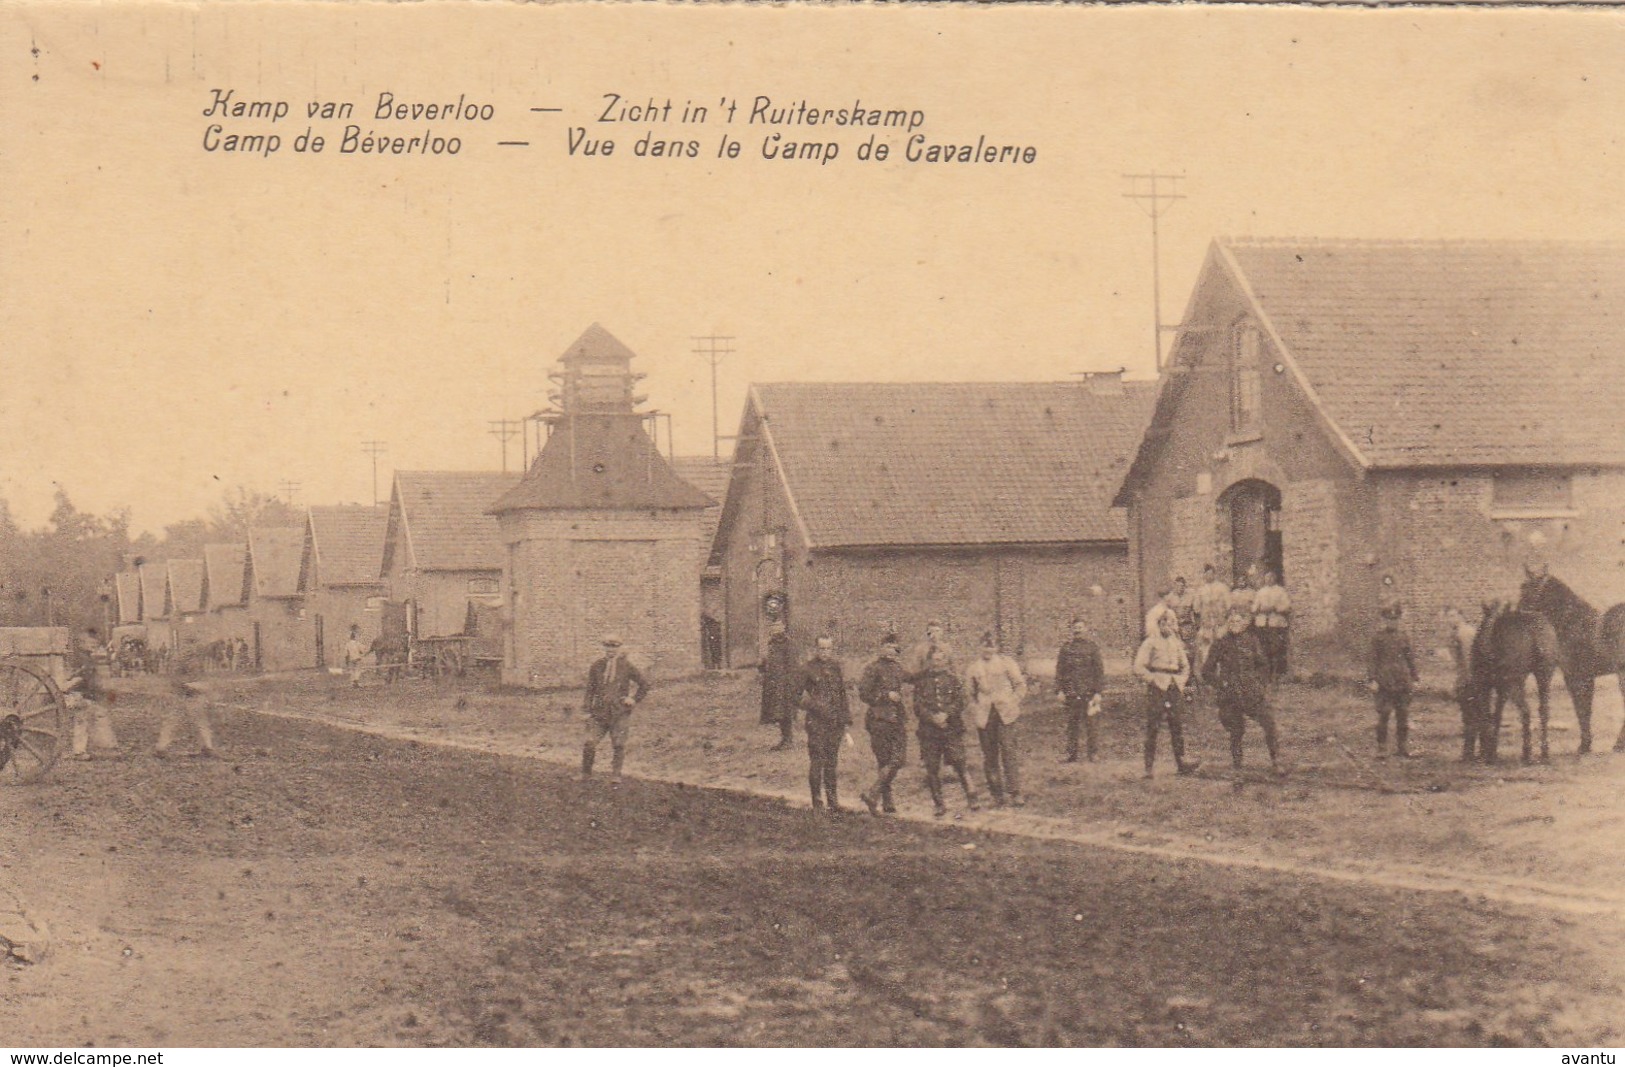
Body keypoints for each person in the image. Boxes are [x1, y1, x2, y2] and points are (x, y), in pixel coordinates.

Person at [1203, 608, 1281, 774]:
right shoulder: (1220, 643)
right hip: (1230, 694)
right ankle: (1238, 767)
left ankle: (1276, 762)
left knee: (1269, 723)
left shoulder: (1252, 641)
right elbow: (1206, 671)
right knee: (1236, 731)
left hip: (1251, 692)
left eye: (1237, 621)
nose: (1234, 625)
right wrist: (1220, 684)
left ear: (1245, 624)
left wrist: (1260, 683)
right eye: (1231, 622)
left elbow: (1263, 665)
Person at [912, 647, 980, 817]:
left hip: (951, 729)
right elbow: (917, 706)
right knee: (932, 768)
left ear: (946, 661)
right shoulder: (921, 682)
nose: (938, 663)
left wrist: (946, 714)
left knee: (959, 762)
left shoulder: (954, 679)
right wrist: (932, 718)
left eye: (941, 660)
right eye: (935, 660)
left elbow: (961, 701)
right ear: (930, 661)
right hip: (929, 731)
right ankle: (939, 804)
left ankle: (972, 797)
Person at [1133, 611, 1201, 778]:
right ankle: (1148, 768)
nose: (1169, 627)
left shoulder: (1176, 643)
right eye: (1166, 624)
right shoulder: (1150, 642)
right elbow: (1138, 667)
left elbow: (1185, 666)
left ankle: (1182, 763)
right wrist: (1153, 679)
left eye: (1172, 624)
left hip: (1173, 687)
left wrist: (1180, 681)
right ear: (1160, 624)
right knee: (1153, 727)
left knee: (1176, 725)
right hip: (1157, 688)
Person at [965, 633, 1028, 807]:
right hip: (985, 716)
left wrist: (1012, 702)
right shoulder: (973, 668)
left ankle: (1015, 792)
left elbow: (1020, 685)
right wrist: (976, 710)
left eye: (991, 646)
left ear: (996, 648)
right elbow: (969, 695)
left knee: (1009, 752)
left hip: (1005, 714)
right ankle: (997, 794)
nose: (988, 650)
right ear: (979, 647)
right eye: (984, 646)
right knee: (990, 756)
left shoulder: (1006, 663)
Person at [793, 635, 851, 812]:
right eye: (822, 648)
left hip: (834, 723)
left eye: (828, 648)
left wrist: (845, 719)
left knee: (832, 762)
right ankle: (817, 802)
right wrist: (814, 706)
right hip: (816, 723)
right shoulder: (807, 668)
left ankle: (833, 801)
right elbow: (794, 696)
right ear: (816, 649)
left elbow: (842, 695)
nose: (825, 652)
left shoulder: (835, 668)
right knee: (817, 761)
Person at [580, 634, 648, 782]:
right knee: (590, 742)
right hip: (599, 712)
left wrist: (633, 699)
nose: (610, 650)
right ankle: (585, 773)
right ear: (604, 648)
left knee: (618, 744)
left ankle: (616, 775)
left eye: (614, 647)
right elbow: (590, 689)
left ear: (619, 648)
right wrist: (586, 710)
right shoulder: (597, 666)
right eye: (608, 646)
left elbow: (644, 684)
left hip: (619, 712)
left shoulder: (627, 666)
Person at [858, 633, 909, 816]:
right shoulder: (872, 668)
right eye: (887, 646)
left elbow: (912, 677)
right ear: (881, 648)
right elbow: (863, 694)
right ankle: (886, 801)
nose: (891, 650)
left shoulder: (897, 668)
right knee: (884, 760)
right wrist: (886, 696)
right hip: (879, 719)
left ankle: (874, 794)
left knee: (898, 759)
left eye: (894, 647)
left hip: (897, 718)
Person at [1369, 603, 1419, 759]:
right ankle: (1381, 747)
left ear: (1399, 620)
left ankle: (1402, 746)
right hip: (1385, 680)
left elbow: (1410, 658)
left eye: (1395, 619)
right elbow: (1372, 660)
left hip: (1402, 680)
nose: (1392, 622)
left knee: (1403, 714)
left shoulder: (1404, 636)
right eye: (1389, 619)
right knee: (1384, 713)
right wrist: (1372, 679)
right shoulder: (1378, 638)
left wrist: (1415, 677)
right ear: (1384, 620)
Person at [1055, 619, 1105, 763]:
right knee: (1072, 724)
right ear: (1072, 630)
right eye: (1075, 628)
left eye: (1080, 627)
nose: (1078, 630)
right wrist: (1059, 690)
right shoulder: (1066, 649)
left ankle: (1093, 753)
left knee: (1092, 724)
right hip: (1071, 691)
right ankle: (1071, 754)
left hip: (1089, 692)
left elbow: (1099, 672)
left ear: (1086, 629)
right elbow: (1059, 671)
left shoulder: (1092, 648)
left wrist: (1098, 692)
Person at [154, 645, 217, 759]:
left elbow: (201, 680)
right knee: (174, 722)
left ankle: (207, 747)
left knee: (198, 722)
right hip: (183, 695)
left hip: (190, 695)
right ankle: (161, 748)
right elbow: (176, 681)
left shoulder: (194, 664)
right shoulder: (181, 665)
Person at [1445, 605, 1490, 763]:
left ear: (1461, 616)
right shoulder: (1456, 633)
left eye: (1453, 616)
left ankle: (1479, 753)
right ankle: (1472, 753)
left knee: (1474, 717)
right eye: (1448, 616)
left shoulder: (1465, 633)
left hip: (1472, 681)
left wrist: (1466, 682)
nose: (1450, 619)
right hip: (1468, 680)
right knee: (1470, 717)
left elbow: (1468, 660)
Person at [68, 626, 119, 760]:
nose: (93, 646)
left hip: (85, 694)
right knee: (87, 720)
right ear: (81, 643)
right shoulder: (82, 659)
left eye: (95, 644)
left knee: (89, 720)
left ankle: (95, 748)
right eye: (90, 644)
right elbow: (83, 678)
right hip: (79, 694)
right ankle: (86, 750)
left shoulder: (87, 658)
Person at [759, 624, 798, 751]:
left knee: (785, 711)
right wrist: (761, 665)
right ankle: (784, 739)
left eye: (778, 629)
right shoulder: (771, 644)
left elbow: (792, 666)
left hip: (784, 685)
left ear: (782, 630)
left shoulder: (788, 644)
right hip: (772, 684)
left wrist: (790, 683)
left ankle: (788, 740)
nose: (775, 632)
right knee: (778, 713)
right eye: (773, 630)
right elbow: (766, 665)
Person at [1193, 564, 1233, 680]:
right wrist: (1203, 622)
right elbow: (1196, 609)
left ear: (1214, 574)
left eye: (1211, 573)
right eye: (1206, 574)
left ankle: (1222, 676)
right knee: (1205, 649)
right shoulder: (1200, 590)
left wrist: (1224, 620)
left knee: (1222, 648)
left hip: (1220, 625)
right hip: (1207, 626)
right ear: (1204, 575)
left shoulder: (1222, 588)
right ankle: (1205, 676)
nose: (1208, 576)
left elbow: (1229, 606)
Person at [1253, 570, 1292, 682]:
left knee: (1276, 648)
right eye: (1267, 578)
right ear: (1264, 579)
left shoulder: (1281, 591)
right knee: (1264, 648)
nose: (1269, 580)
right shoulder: (1260, 592)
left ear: (1275, 579)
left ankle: (1276, 673)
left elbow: (1287, 607)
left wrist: (1275, 608)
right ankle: (1266, 673)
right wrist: (1261, 609)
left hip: (1276, 623)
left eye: (1271, 577)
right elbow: (1254, 608)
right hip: (1262, 623)